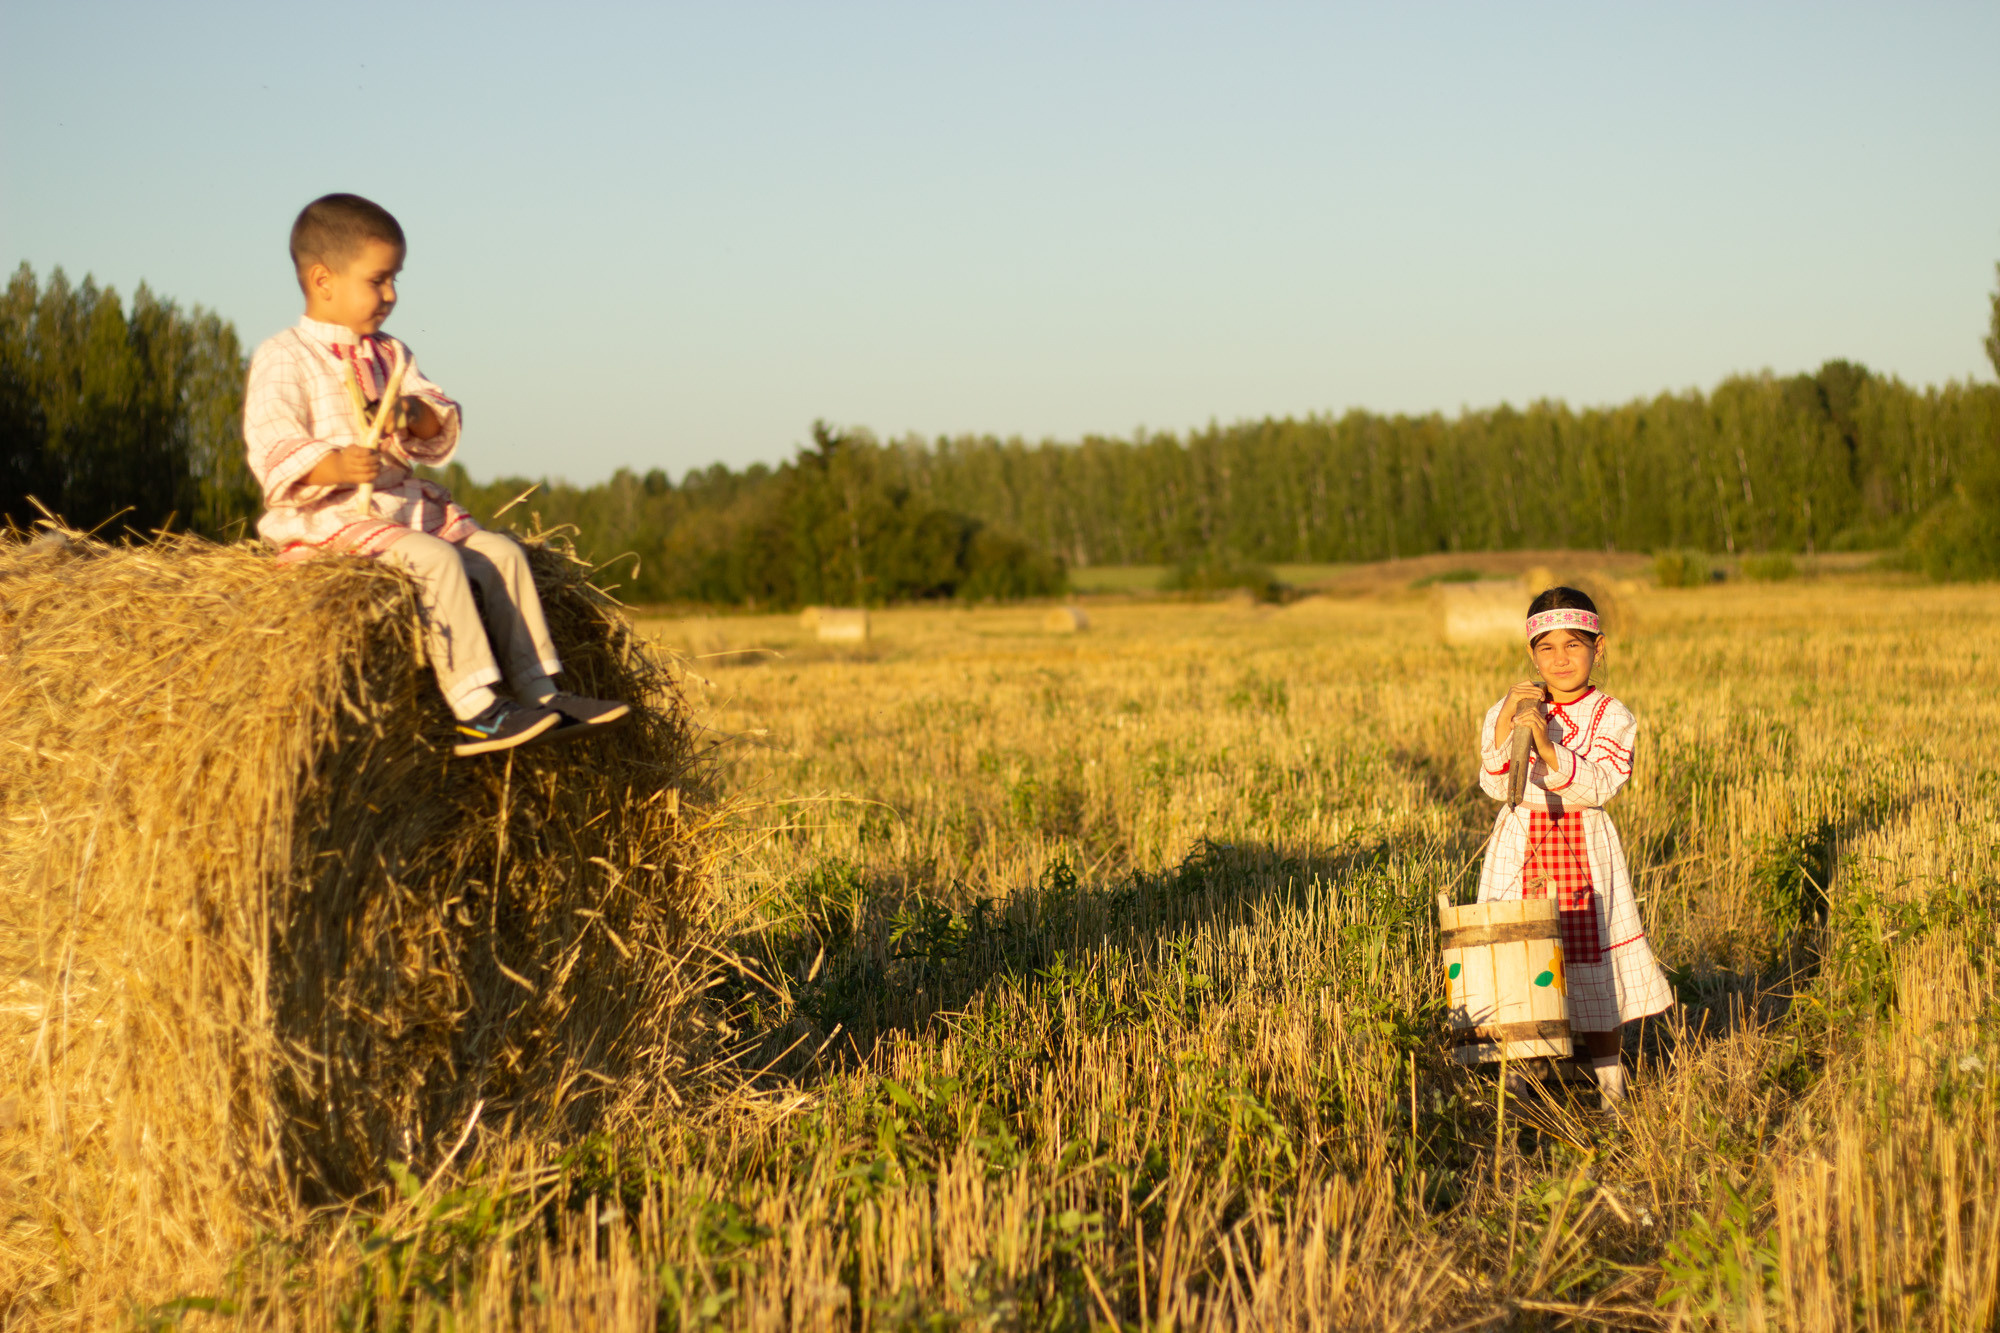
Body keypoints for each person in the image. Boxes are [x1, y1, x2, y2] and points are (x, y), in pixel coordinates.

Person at [243, 193, 629, 756]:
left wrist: (409, 415)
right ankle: (476, 709)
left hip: (403, 510)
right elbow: (272, 442)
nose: (392, 295)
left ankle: (540, 692)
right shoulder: (285, 356)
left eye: (395, 279)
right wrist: (334, 463)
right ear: (323, 281)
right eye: (379, 280)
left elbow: (437, 415)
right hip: (334, 518)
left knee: (499, 552)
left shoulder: (390, 355)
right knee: (438, 561)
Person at [1476, 586, 1673, 1109]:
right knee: (1522, 956)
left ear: (1598, 647)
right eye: (1546, 648)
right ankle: (1523, 1078)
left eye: (1574, 646)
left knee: (1592, 963)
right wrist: (1510, 721)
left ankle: (1610, 1084)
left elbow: (1600, 785)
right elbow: (1497, 784)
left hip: (1583, 846)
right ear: (1531, 653)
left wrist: (1546, 744)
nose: (1560, 659)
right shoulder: (1512, 705)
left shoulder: (1612, 714)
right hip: (1521, 844)